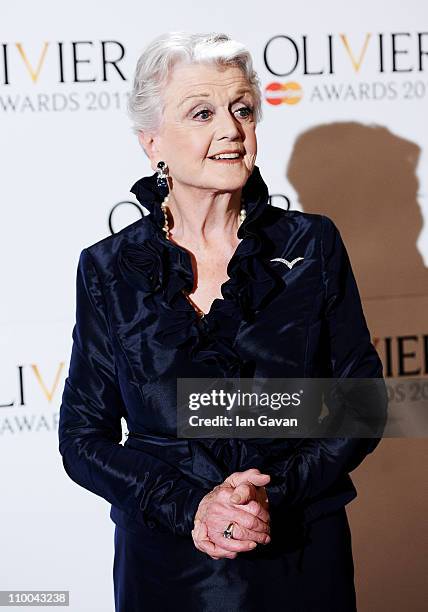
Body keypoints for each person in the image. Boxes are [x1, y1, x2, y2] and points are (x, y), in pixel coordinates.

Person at [58, 31, 387, 611]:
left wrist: (270, 495)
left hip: (300, 556)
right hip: (167, 567)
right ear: (152, 141)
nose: (232, 129)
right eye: (202, 112)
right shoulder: (108, 269)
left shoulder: (313, 246)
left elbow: (361, 403)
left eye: (242, 109)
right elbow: (84, 439)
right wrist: (193, 507)